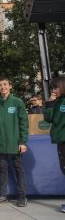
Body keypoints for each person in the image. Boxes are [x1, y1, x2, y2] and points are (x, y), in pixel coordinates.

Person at [0, 77, 29, 207]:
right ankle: (2, 195)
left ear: (10, 86)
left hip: (15, 143)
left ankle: (22, 197)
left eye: (5, 84)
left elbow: (24, 123)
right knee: (2, 169)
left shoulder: (17, 102)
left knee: (18, 169)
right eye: (0, 85)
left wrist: (23, 141)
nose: (3, 87)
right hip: (0, 144)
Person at [43, 76, 65, 212]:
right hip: (60, 140)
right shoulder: (58, 102)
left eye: (56, 87)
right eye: (53, 88)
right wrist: (50, 102)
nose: (54, 90)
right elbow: (49, 118)